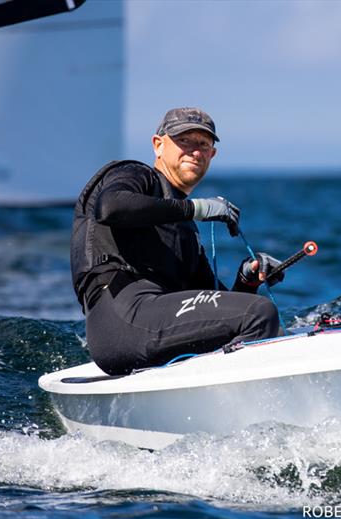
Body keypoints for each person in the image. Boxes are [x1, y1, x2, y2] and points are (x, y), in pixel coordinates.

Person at [71, 107, 283, 375]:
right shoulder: (136, 175)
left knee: (258, 314)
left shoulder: (185, 231)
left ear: (212, 155)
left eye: (204, 144)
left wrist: (247, 279)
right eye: (184, 140)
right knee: (260, 313)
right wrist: (196, 208)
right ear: (158, 145)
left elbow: (218, 309)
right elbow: (109, 207)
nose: (195, 151)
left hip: (154, 323)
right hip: (120, 317)